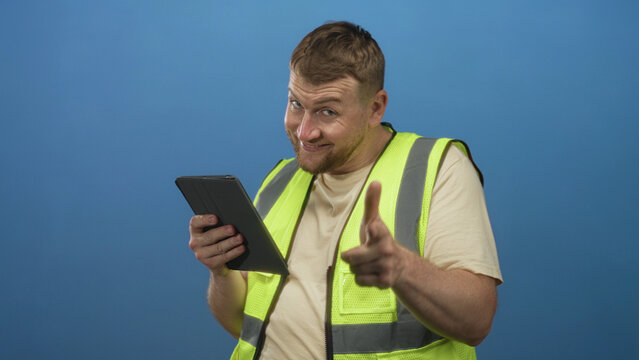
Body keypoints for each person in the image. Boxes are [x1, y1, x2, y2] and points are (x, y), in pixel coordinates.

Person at [188, 21, 502, 360]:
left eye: (327, 111)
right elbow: (243, 325)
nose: (305, 132)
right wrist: (220, 272)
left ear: (375, 108)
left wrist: (403, 270)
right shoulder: (281, 180)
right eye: (296, 104)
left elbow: (476, 322)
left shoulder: (439, 169)